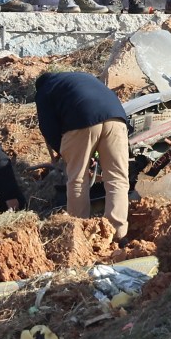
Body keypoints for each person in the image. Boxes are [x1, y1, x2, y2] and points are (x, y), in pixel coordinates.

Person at [34, 70, 130, 240]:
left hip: (81, 120)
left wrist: (63, 151)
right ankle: (118, 234)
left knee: (78, 179)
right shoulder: (80, 77)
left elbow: (48, 127)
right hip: (117, 118)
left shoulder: (44, 90)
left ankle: (79, 234)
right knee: (117, 179)